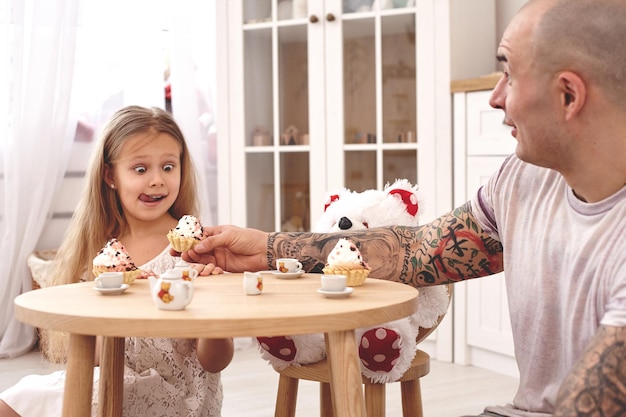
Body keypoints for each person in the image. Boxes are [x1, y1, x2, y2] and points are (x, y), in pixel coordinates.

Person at [173, 0, 626, 416]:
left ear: (569, 95)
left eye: (509, 74)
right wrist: (270, 248)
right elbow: (418, 250)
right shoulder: (524, 179)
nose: (495, 96)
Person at [0, 105, 234, 417]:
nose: (156, 181)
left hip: (178, 397)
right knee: (15, 399)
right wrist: (111, 303)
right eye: (140, 169)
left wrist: (213, 305)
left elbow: (216, 361)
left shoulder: (195, 251)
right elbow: (95, 357)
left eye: (168, 167)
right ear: (110, 175)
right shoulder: (104, 253)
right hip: (115, 379)